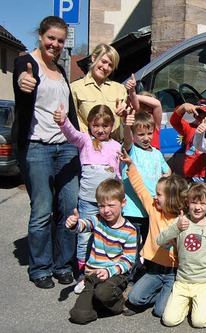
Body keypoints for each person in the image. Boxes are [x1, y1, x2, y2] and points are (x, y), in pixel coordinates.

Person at [13, 16, 80, 289]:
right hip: (37, 147)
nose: (55, 44)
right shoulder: (27, 61)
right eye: (51, 38)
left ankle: (63, 264)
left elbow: (69, 112)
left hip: (65, 148)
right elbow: (23, 79)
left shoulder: (60, 69)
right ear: (40, 36)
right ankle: (40, 266)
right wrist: (23, 82)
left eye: (60, 40)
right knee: (41, 210)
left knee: (68, 207)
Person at [54, 104, 122, 293]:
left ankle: (109, 270)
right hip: (87, 201)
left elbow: (118, 175)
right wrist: (63, 122)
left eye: (105, 126)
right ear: (90, 125)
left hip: (108, 204)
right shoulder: (85, 140)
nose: (100, 130)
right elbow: (72, 134)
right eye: (96, 125)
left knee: (108, 237)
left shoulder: (116, 146)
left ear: (112, 126)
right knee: (84, 237)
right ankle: (84, 275)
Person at [120, 149, 188, 318]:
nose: (155, 197)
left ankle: (171, 298)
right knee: (134, 299)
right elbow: (140, 188)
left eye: (159, 194)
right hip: (155, 270)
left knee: (160, 312)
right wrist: (131, 165)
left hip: (174, 273)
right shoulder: (154, 210)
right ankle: (161, 295)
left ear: (172, 198)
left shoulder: (184, 220)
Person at [66, 179, 137, 324]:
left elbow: (128, 261)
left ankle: (119, 303)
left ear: (123, 203)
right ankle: (98, 302)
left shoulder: (129, 231)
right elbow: (83, 225)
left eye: (111, 205)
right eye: (101, 206)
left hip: (115, 275)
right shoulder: (98, 220)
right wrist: (74, 224)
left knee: (103, 292)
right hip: (92, 276)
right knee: (78, 316)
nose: (106, 210)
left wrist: (109, 271)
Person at [156, 183, 206, 328]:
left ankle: (202, 302)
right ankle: (190, 303)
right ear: (188, 202)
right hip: (183, 281)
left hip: (204, 283)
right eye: (194, 202)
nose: (197, 207)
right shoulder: (181, 222)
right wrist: (176, 228)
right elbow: (160, 241)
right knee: (169, 320)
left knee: (199, 322)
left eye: (202, 203)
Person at [122, 112, 171, 244]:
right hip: (133, 209)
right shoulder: (132, 150)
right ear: (133, 134)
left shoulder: (157, 153)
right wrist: (127, 127)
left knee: (150, 246)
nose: (146, 138)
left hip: (151, 209)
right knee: (132, 247)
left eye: (149, 133)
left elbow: (167, 170)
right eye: (141, 134)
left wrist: (166, 177)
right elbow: (127, 140)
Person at [70, 43, 127, 141]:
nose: (105, 67)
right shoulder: (75, 88)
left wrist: (125, 114)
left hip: (115, 146)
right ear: (93, 58)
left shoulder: (120, 89)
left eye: (110, 65)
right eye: (103, 61)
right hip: (87, 146)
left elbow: (126, 121)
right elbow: (73, 120)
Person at [125, 73, 162, 150]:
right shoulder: (134, 122)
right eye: (143, 111)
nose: (146, 114)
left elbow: (157, 104)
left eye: (150, 112)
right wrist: (132, 94)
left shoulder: (155, 126)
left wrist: (134, 95)